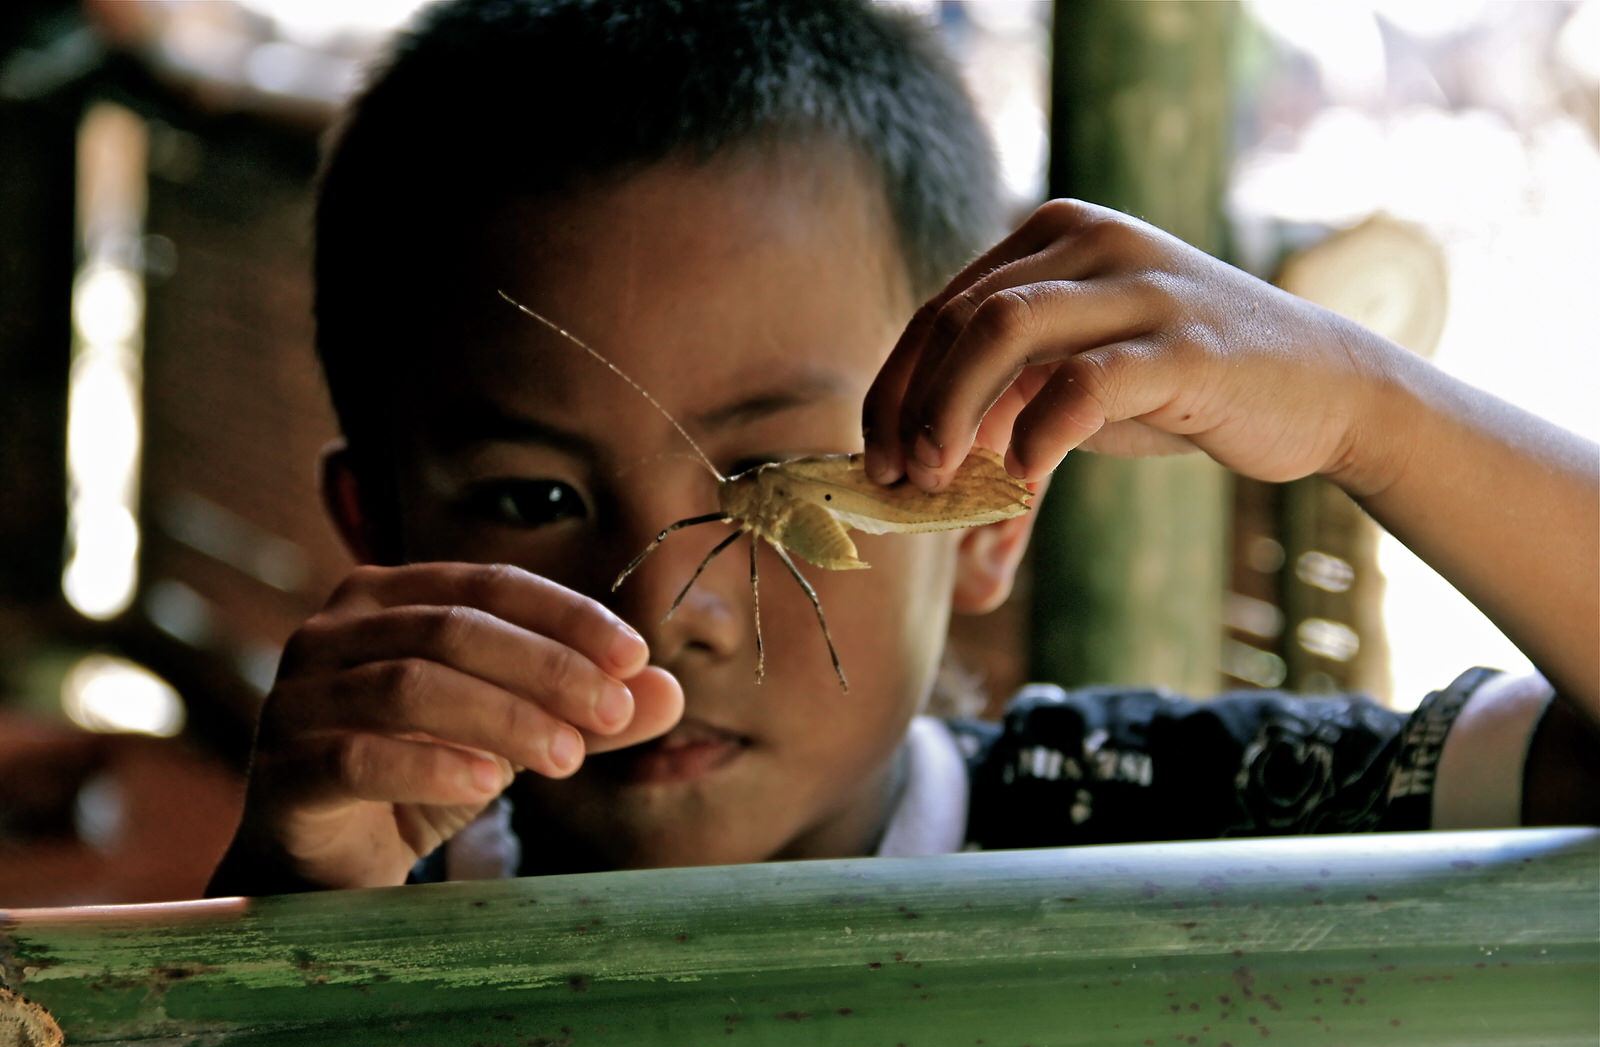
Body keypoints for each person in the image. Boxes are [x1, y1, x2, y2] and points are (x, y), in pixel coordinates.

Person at [207, 0, 1598, 896]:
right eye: (533, 496)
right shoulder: (368, 883)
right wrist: (282, 927)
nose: (659, 609)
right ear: (380, 531)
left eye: (765, 480)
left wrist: (1375, 412)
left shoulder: (1152, 822)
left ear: (987, 515)